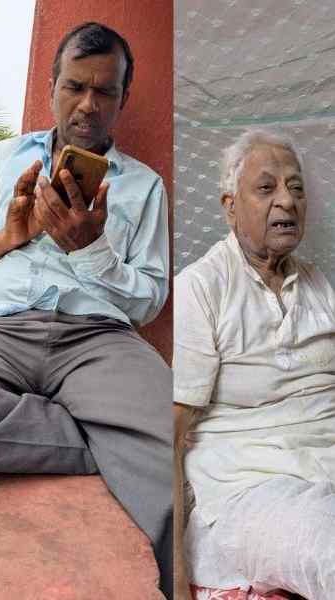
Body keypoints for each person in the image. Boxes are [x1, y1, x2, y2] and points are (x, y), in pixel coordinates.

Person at [0, 22, 173, 599]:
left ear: (122, 98)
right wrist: (6, 237)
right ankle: (98, 438)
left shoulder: (143, 186)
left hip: (98, 341)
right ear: (51, 85)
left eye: (105, 92)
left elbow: (149, 297)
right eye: (75, 87)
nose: (88, 105)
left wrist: (90, 250)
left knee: (175, 447)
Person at [174, 129, 335, 600]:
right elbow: (171, 435)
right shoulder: (202, 289)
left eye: (296, 188)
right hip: (249, 495)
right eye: (266, 189)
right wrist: (177, 580)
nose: (286, 201)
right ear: (230, 206)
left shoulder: (318, 286)